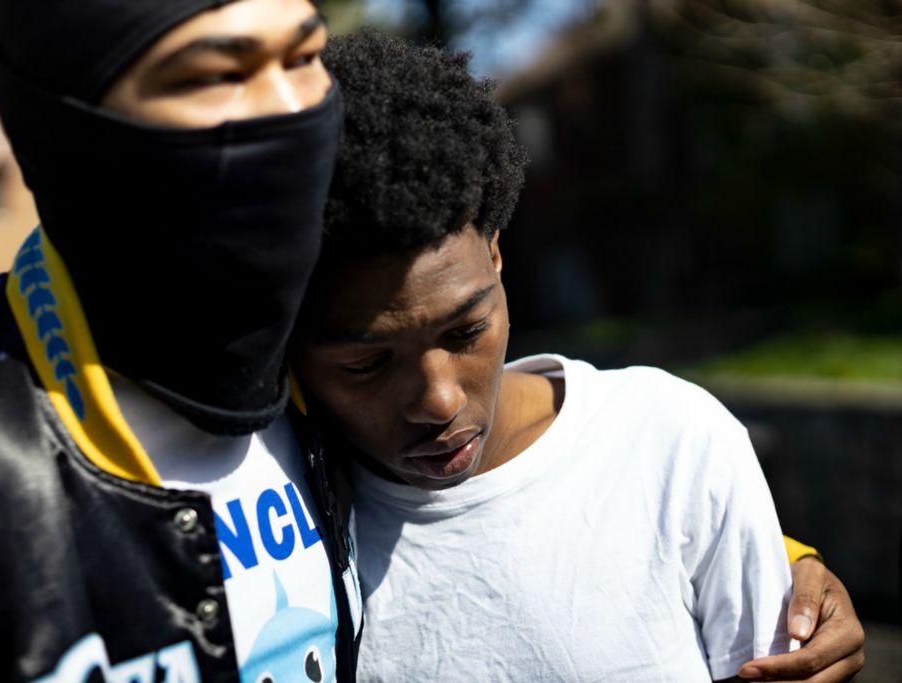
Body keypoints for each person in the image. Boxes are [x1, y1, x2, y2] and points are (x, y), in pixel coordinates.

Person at [290, 30, 865, 682]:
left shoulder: (670, 440)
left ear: (497, 253)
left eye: (465, 331)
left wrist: (776, 552)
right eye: (367, 364)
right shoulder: (271, 517)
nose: (439, 400)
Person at [0, 0, 361, 680]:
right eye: (216, 75)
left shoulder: (352, 368)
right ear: (68, 129)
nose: (288, 109)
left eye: (305, 57)